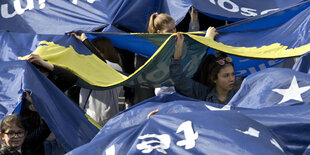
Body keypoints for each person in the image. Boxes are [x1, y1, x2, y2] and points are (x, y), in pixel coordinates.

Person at [134, 8, 200, 103]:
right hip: (163, 93)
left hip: (180, 91)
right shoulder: (151, 47)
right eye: (169, 31)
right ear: (159, 32)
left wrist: (194, 20)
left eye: (174, 28)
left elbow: (191, 41)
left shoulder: (177, 40)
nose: (174, 32)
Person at [170, 27, 237, 104]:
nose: (232, 79)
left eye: (233, 74)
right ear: (214, 79)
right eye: (226, 76)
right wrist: (178, 49)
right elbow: (179, 79)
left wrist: (216, 42)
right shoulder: (202, 93)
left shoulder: (241, 95)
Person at [71, 32, 123, 126]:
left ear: (103, 52)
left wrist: (84, 41)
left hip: (97, 116)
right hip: (104, 115)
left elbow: (102, 64)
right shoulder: (117, 68)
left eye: (94, 52)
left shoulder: (111, 67)